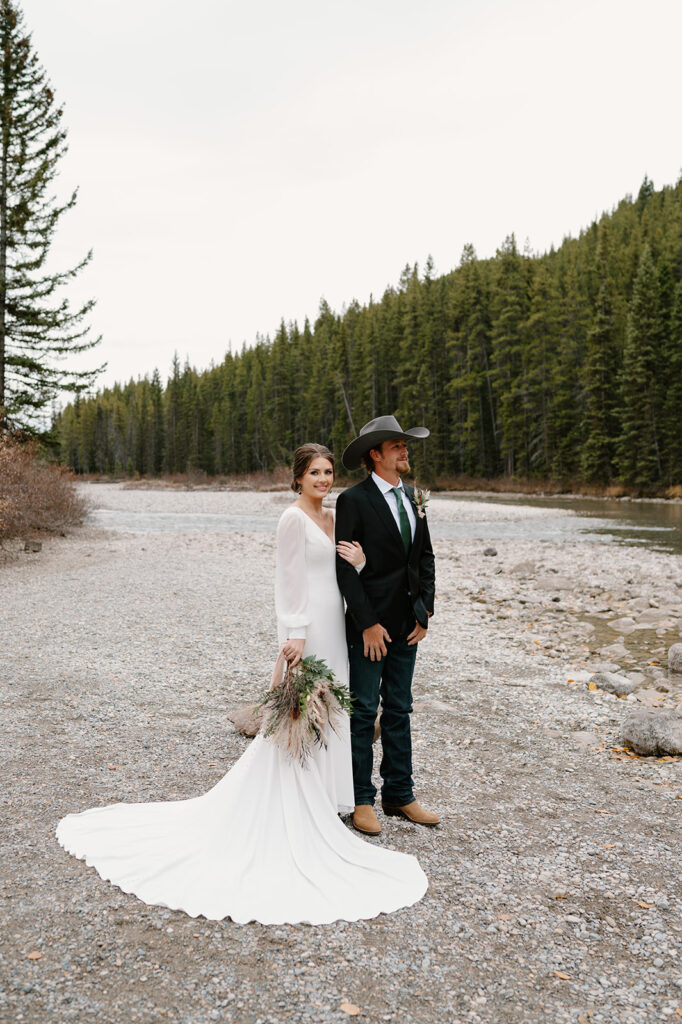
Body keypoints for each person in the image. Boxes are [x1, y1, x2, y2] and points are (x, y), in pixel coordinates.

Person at [56, 443, 427, 924]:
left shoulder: (332, 517)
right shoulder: (292, 519)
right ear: (297, 478)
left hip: (336, 624)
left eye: (328, 471)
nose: (323, 479)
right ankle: (298, 798)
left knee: (331, 707)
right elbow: (288, 579)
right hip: (309, 628)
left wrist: (357, 565)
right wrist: (294, 633)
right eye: (314, 472)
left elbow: (338, 574)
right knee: (303, 710)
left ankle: (331, 796)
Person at [335, 416, 439, 837]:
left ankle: (400, 793)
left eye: (404, 444)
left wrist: (424, 612)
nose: (405, 450)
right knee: (363, 712)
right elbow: (343, 569)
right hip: (370, 628)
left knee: (399, 708)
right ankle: (362, 799)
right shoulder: (353, 500)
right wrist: (368, 624)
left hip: (407, 625)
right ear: (374, 454)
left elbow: (425, 559)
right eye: (397, 445)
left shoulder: (414, 497)